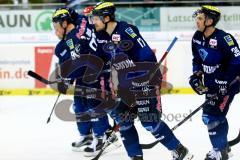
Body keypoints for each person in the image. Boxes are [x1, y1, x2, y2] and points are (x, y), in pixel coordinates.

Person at [91, 2, 193, 160]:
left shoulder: (125, 30)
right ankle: (135, 156)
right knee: (121, 117)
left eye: (95, 19)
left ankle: (180, 150)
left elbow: (146, 55)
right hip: (128, 86)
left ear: (106, 18)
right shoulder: (106, 36)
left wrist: (143, 80)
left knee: (149, 122)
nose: (93, 22)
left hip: (146, 81)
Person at [52, 7, 118, 156]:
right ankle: (88, 135)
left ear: (64, 23)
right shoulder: (80, 21)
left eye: (56, 27)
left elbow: (76, 66)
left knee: (96, 105)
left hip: (95, 72)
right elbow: (75, 14)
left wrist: (66, 79)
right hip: (86, 75)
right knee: (79, 106)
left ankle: (103, 135)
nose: (55, 31)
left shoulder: (73, 40)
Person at [190, 5, 240, 160]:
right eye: (197, 18)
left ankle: (219, 151)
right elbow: (197, 59)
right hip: (211, 84)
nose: (196, 21)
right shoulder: (197, 37)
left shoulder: (225, 38)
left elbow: (237, 62)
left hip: (229, 85)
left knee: (210, 116)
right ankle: (224, 148)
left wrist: (225, 81)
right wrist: (196, 75)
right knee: (217, 116)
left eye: (200, 18)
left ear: (210, 21)